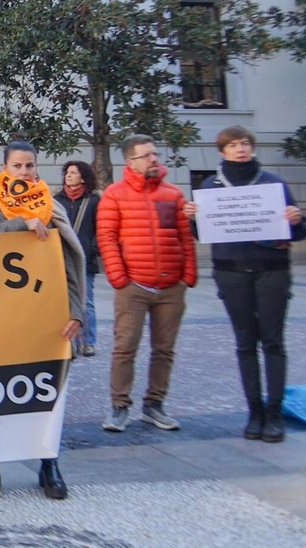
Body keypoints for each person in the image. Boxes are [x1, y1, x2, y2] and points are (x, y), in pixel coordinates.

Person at [0, 142, 86, 500]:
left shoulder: (53, 209)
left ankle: (48, 463)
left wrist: (77, 312)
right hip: (0, 316)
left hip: (46, 316)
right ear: (4, 168)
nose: (23, 173)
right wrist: (22, 224)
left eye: (30, 166)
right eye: (17, 166)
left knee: (48, 392)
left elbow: (70, 265)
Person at [186, 126, 306, 443]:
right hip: (232, 272)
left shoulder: (273, 183)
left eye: (245, 144)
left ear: (252, 148)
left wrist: (295, 219)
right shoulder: (210, 186)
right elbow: (203, 234)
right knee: (244, 342)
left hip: (272, 271)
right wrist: (193, 218)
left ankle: (275, 412)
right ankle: (255, 411)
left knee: (273, 341)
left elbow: (298, 231)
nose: (240, 149)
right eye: (232, 145)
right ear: (222, 151)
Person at [97, 134, 196, 434]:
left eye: (155, 154)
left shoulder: (173, 194)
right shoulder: (114, 195)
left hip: (171, 287)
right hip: (134, 287)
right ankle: (119, 406)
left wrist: (188, 275)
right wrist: (119, 278)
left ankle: (154, 404)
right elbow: (107, 238)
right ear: (131, 162)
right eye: (147, 155)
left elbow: (184, 238)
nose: (154, 159)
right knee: (125, 347)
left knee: (164, 350)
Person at [55, 161, 100, 357]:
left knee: (86, 302)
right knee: (64, 303)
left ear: (83, 177)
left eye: (74, 173)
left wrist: (92, 248)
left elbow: (100, 228)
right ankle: (70, 344)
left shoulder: (93, 201)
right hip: (61, 259)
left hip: (85, 259)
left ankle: (88, 342)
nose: (69, 175)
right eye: (67, 172)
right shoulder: (57, 200)